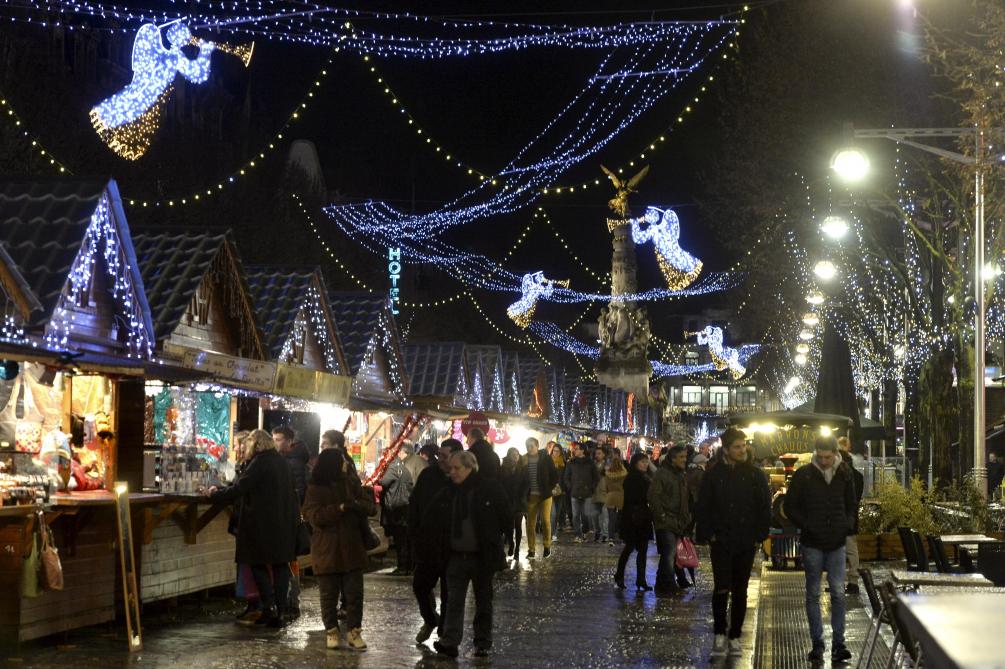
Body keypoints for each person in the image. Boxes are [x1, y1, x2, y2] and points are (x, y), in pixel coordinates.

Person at [206, 429, 299, 628]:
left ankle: (269, 607)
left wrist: (214, 494)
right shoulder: (282, 462)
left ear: (255, 445)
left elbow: (240, 488)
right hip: (283, 523)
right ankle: (280, 611)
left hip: (261, 525)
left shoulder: (260, 462)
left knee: (257, 563)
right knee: (280, 566)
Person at [696, 428, 770, 658]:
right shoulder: (713, 474)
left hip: (746, 540)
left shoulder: (755, 475)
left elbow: (763, 506)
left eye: (743, 445)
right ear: (726, 450)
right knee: (721, 587)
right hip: (722, 540)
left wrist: (759, 535)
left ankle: (735, 635)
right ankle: (719, 632)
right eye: (737, 446)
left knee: (741, 589)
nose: (742, 449)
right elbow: (704, 506)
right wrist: (709, 534)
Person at [784, 436, 857, 664]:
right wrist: (806, 524)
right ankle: (818, 643)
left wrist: (846, 525)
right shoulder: (804, 475)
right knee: (813, 593)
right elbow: (790, 506)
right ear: (816, 453)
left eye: (828, 457)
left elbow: (852, 504)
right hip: (813, 541)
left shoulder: (844, 474)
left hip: (836, 541)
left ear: (836, 454)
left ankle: (838, 644)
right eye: (821, 457)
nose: (824, 461)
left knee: (837, 592)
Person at [433, 451, 511, 659]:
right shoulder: (449, 491)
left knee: (483, 601)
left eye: (457, 468)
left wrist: (498, 540)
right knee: (453, 601)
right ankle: (449, 642)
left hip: (481, 556)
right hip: (456, 555)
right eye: (451, 468)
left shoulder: (488, 487)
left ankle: (482, 642)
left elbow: (505, 515)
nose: (453, 472)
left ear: (470, 468)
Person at [302, 448, 374, 651]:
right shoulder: (315, 488)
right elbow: (314, 516)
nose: (346, 463)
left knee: (355, 595)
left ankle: (354, 632)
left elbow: (370, 506)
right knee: (328, 595)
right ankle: (332, 631)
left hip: (352, 547)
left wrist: (358, 505)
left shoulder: (351, 483)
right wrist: (340, 508)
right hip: (327, 549)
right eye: (342, 460)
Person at [409, 438, 463, 645]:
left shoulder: (461, 478)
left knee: (449, 594)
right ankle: (431, 619)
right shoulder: (428, 475)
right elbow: (415, 504)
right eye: (439, 455)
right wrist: (414, 533)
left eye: (444, 455)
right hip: (428, 542)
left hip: (452, 546)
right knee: (420, 586)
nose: (439, 459)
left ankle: (444, 634)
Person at [648, 444, 691, 596]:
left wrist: (686, 516)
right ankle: (669, 585)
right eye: (681, 457)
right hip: (666, 520)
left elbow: (684, 498)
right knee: (670, 553)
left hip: (678, 520)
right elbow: (654, 496)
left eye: (685, 457)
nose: (684, 460)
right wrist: (662, 516)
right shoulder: (663, 474)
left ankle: (661, 583)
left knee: (670, 553)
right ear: (672, 459)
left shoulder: (681, 474)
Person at [380, 442, 427, 575]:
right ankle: (410, 566)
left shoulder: (400, 465)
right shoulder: (419, 461)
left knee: (401, 538)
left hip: (403, 506)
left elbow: (385, 482)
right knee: (409, 537)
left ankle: (403, 566)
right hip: (412, 504)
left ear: (402, 452)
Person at [615, 452, 654, 591]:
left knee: (642, 549)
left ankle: (641, 579)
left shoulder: (646, 477)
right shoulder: (632, 478)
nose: (645, 464)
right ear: (636, 463)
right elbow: (635, 498)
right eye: (642, 462)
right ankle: (620, 575)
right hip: (633, 517)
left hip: (642, 517)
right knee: (629, 548)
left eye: (646, 462)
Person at [523, 437, 559, 559]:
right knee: (530, 524)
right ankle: (531, 550)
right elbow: (522, 477)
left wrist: (549, 488)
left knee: (545, 521)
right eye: (527, 446)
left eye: (531, 446)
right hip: (531, 496)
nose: (529, 448)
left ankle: (547, 546)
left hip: (545, 495)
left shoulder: (545, 458)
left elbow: (554, 475)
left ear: (537, 446)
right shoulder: (524, 459)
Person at [837, 438, 864, 595]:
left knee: (843, 550)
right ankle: (852, 581)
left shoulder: (838, 474)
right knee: (850, 550)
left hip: (842, 518)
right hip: (849, 518)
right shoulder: (858, 476)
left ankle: (846, 581)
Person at [563, 442, 600, 542]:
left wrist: (591, 488)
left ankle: (584, 532)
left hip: (587, 493)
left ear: (583, 450)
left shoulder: (590, 463)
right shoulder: (571, 463)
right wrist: (570, 487)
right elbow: (566, 477)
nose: (575, 450)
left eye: (577, 449)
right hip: (574, 492)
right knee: (575, 515)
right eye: (575, 449)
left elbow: (596, 478)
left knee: (586, 514)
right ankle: (578, 535)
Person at [499, 447, 530, 558]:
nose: (515, 456)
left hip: (520, 501)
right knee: (509, 526)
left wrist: (523, 496)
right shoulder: (503, 468)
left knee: (518, 526)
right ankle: (511, 544)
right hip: (507, 501)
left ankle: (517, 549)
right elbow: (500, 483)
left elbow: (527, 484)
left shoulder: (523, 468)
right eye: (513, 454)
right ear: (509, 455)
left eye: (517, 454)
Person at [603, 455, 627, 547]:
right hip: (621, 496)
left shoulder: (608, 474)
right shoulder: (624, 473)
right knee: (621, 518)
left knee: (611, 519)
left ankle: (611, 538)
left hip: (611, 496)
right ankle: (622, 537)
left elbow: (606, 486)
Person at [547, 441, 570, 539]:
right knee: (553, 513)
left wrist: (564, 489)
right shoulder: (548, 462)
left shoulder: (563, 463)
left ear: (561, 452)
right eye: (554, 451)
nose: (555, 453)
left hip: (560, 492)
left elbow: (565, 477)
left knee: (557, 514)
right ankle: (553, 533)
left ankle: (553, 530)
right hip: (549, 491)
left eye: (558, 451)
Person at [591, 447, 609, 542]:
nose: (597, 455)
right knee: (594, 515)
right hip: (594, 493)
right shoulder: (592, 465)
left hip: (605, 493)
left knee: (605, 516)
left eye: (599, 453)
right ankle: (597, 531)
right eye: (596, 453)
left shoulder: (608, 466)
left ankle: (605, 534)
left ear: (603, 455)